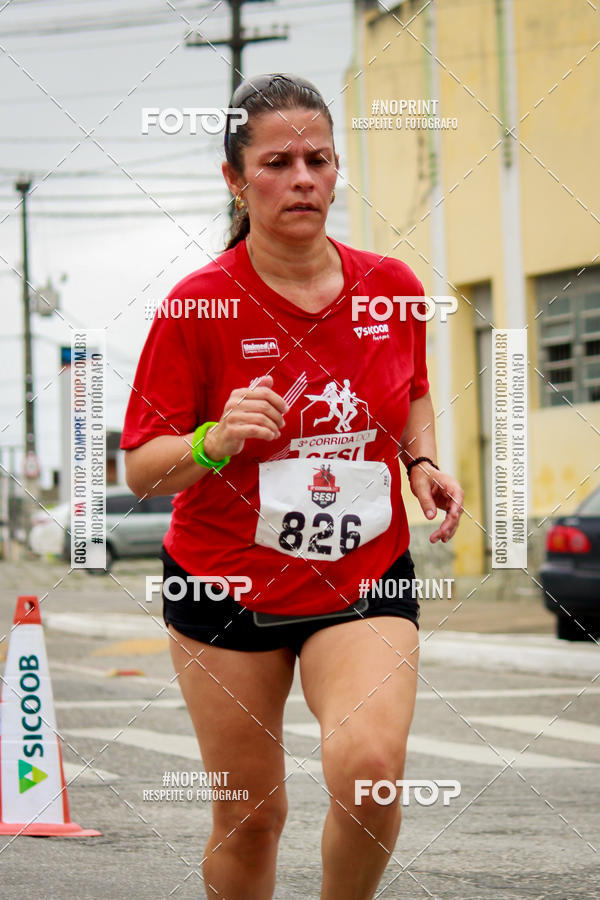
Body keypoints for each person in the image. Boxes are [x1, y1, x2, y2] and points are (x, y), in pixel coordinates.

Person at [121, 73, 464, 900]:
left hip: (360, 572)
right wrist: (215, 437)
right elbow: (139, 469)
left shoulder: (392, 289)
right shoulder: (196, 308)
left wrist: (420, 462)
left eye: (318, 158)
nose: (303, 177)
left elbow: (409, 390)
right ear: (236, 180)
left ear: (338, 168)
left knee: (373, 773)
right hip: (224, 582)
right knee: (250, 818)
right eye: (277, 161)